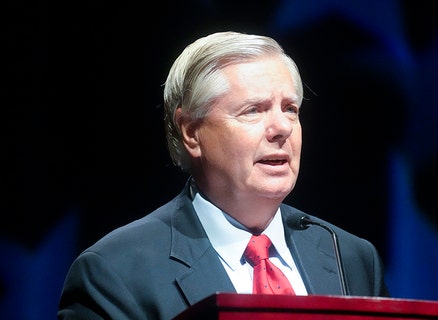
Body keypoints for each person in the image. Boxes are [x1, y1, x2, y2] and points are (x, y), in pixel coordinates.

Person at [57, 31, 389, 319]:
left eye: (290, 109)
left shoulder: (350, 258)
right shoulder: (115, 273)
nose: (282, 128)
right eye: (253, 110)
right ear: (190, 131)